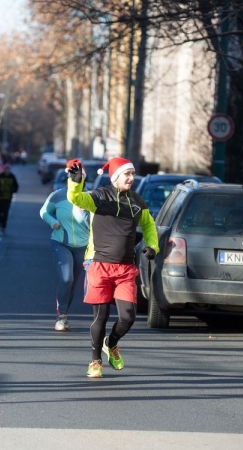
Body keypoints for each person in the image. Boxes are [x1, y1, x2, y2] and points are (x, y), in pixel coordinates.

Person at [65, 157, 159, 378]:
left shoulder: (137, 202)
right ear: (115, 176)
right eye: (127, 174)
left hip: (125, 269)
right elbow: (75, 198)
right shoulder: (99, 197)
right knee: (101, 317)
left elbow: (148, 226)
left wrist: (152, 246)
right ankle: (95, 362)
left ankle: (111, 342)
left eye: (133, 174)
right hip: (99, 265)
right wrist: (76, 182)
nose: (131, 178)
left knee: (128, 317)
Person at [40, 182, 90, 331]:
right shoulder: (58, 195)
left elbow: (95, 223)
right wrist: (52, 221)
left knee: (73, 283)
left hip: (83, 245)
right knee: (66, 278)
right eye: (73, 176)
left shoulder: (89, 197)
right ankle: (61, 317)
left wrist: (84, 212)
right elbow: (43, 211)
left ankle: (65, 314)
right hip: (61, 242)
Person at [0, 163, 19, 235]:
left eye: (8, 169)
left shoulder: (12, 177)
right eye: (5, 169)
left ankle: (3, 226)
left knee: (5, 212)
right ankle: (0, 221)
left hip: (7, 198)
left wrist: (13, 191)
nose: (7, 171)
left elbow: (16, 186)